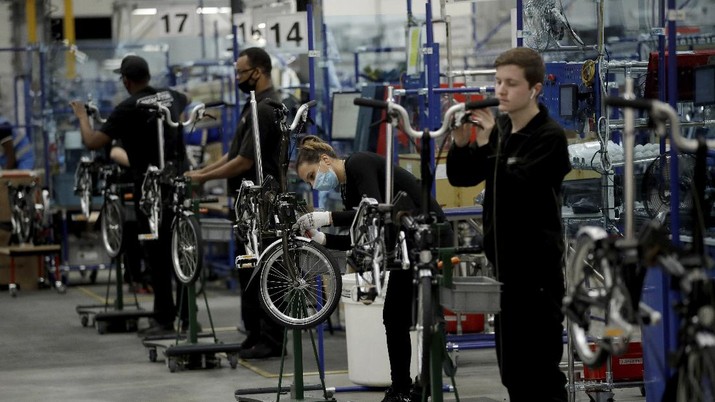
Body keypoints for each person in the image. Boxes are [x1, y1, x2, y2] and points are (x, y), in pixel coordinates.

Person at [446, 47, 571, 402]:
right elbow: (462, 176)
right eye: (498, 82)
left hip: (537, 275)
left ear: (534, 89)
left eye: (511, 84)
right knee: (512, 373)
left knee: (540, 375)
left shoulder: (549, 137)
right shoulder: (500, 126)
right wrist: (460, 142)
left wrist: (488, 144)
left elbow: (517, 187)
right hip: (504, 272)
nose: (500, 90)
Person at [293, 135, 452, 402]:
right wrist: (323, 239)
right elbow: (364, 234)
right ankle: (403, 389)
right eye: (308, 182)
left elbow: (375, 210)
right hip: (405, 246)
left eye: (311, 176)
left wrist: (328, 218)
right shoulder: (347, 190)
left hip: (428, 238)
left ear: (325, 159)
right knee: (394, 317)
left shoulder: (359, 163)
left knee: (422, 319)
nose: (314, 184)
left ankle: (418, 387)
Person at [69, 54, 191, 336]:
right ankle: (187, 318)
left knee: (156, 254)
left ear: (126, 81)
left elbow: (92, 141)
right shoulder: (172, 96)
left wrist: (81, 117)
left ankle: (163, 320)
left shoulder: (126, 108)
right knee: (181, 253)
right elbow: (184, 99)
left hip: (148, 191)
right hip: (177, 184)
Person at [184, 47, 285, 359]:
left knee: (265, 270)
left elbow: (244, 162)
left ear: (259, 71)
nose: (238, 78)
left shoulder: (266, 109)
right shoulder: (251, 106)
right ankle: (253, 332)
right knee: (247, 268)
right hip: (246, 208)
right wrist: (202, 173)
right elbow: (233, 155)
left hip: (264, 207)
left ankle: (270, 339)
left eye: (242, 73)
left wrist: (202, 179)